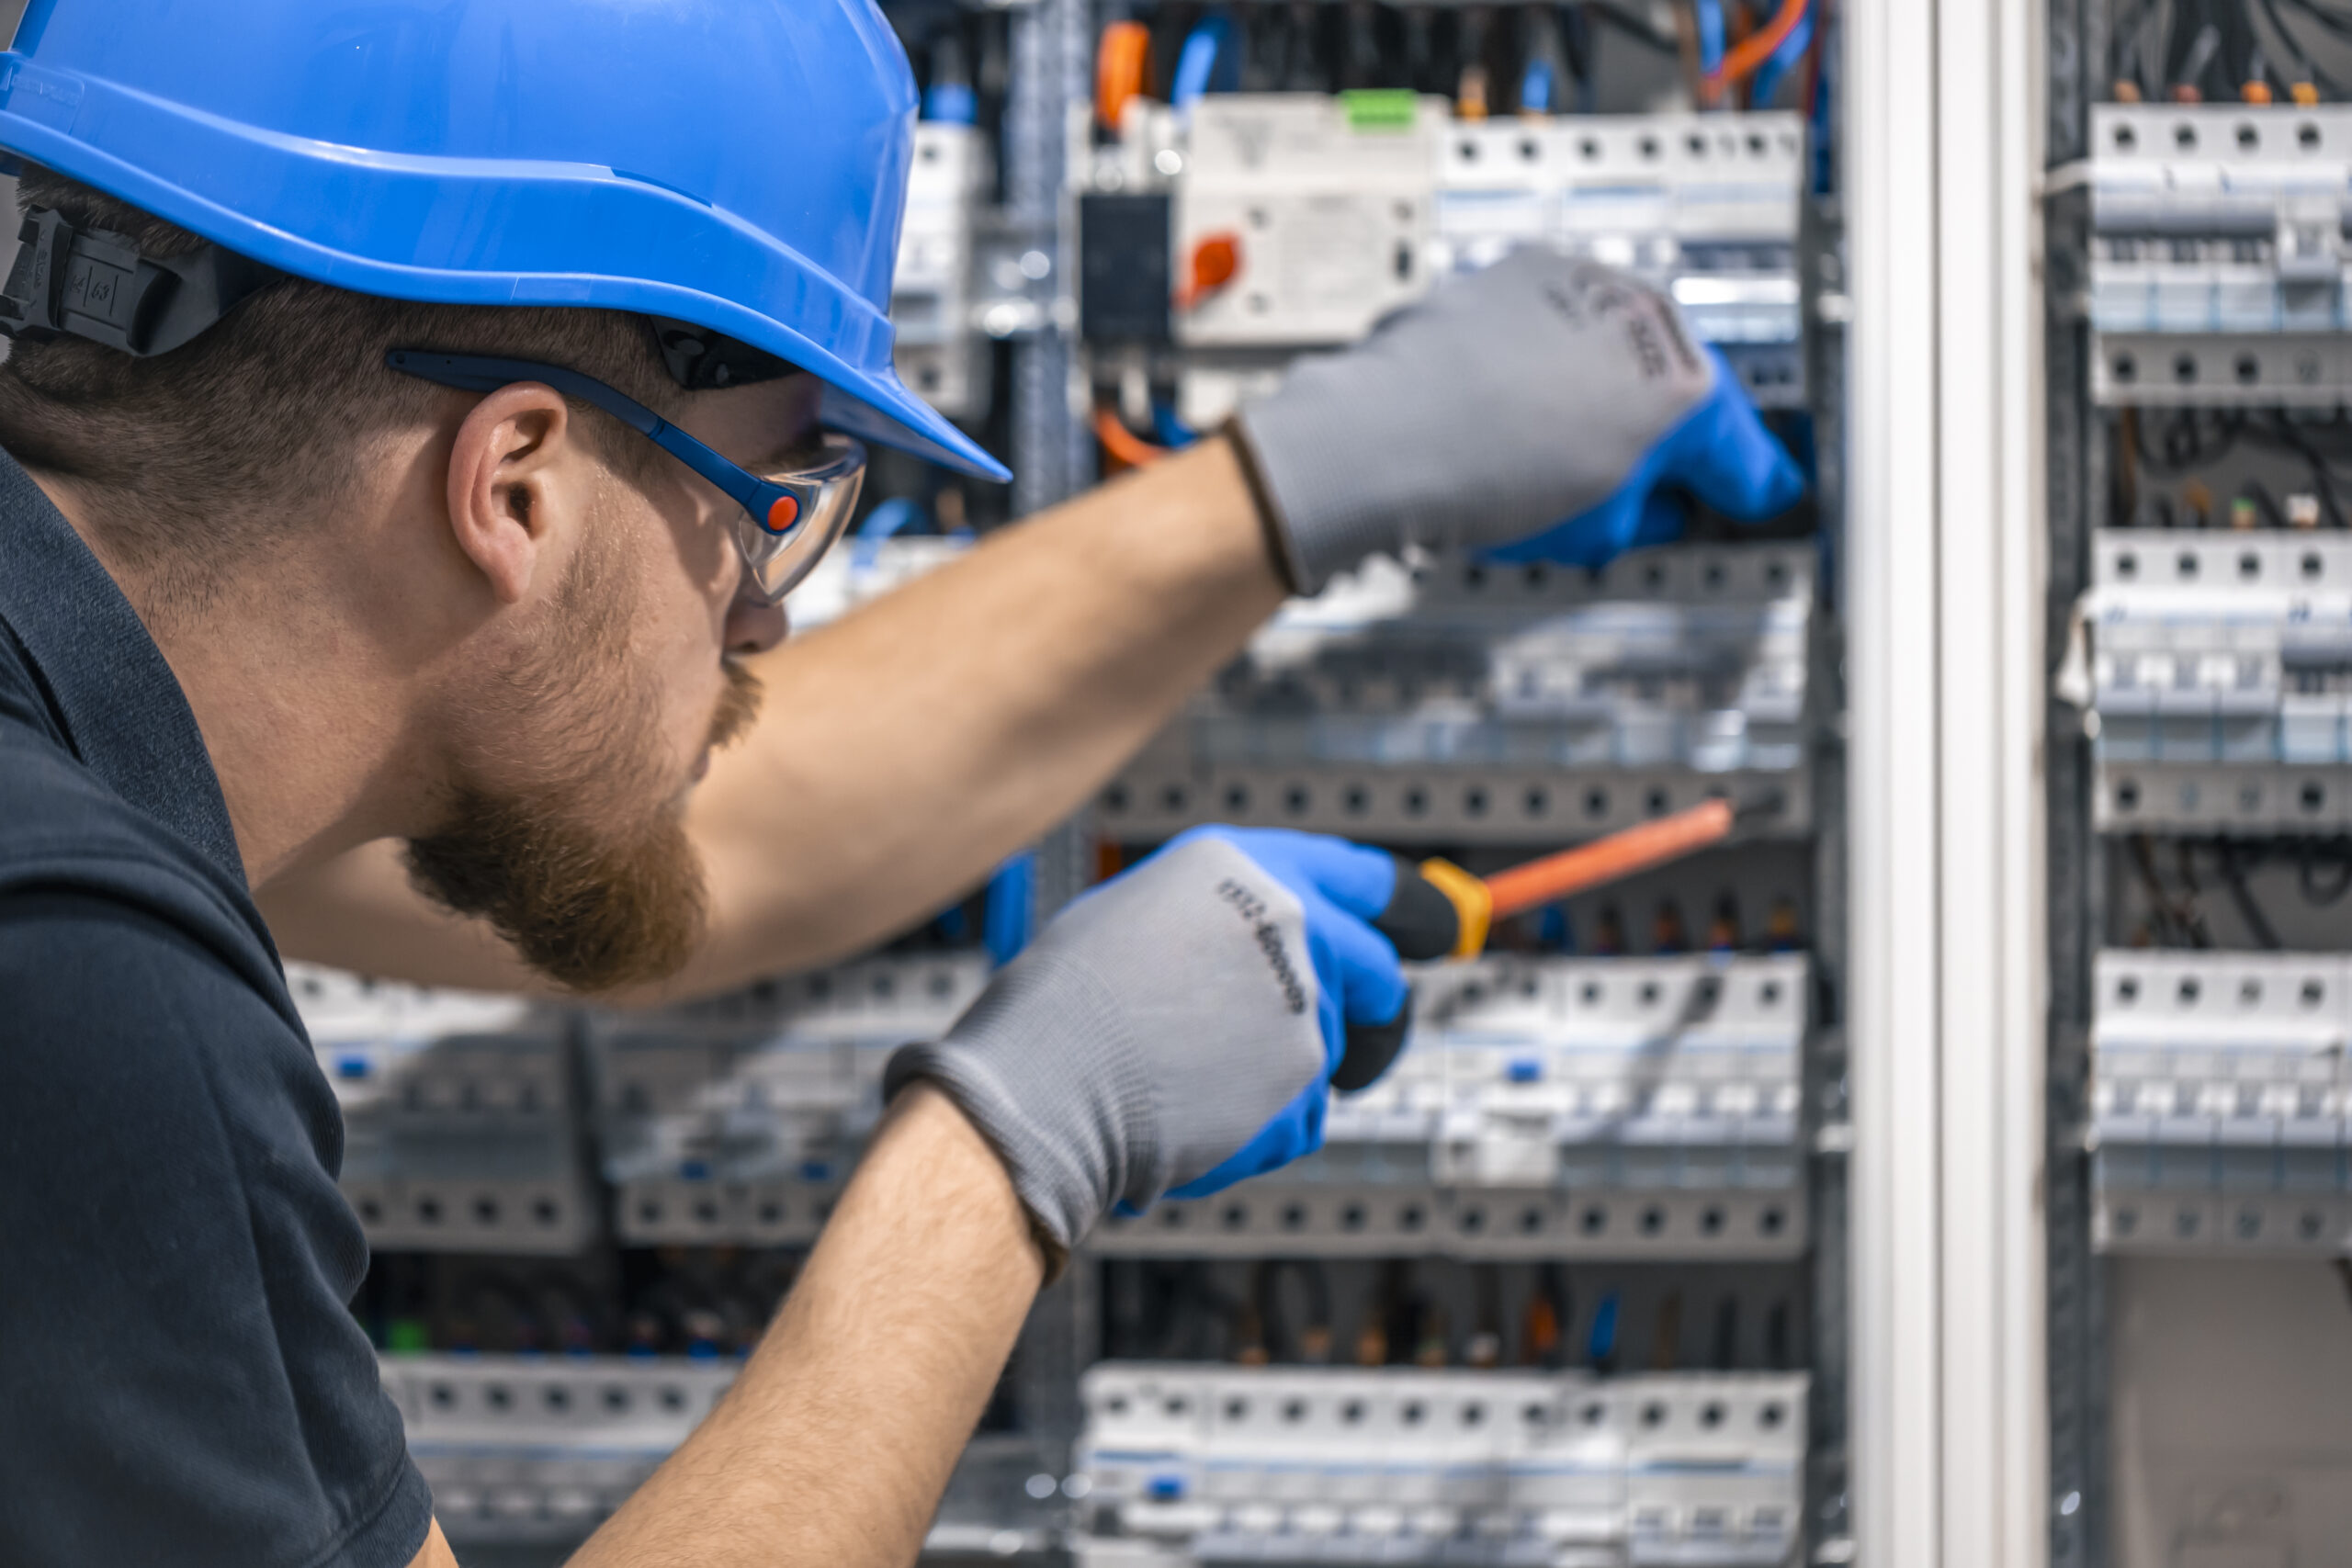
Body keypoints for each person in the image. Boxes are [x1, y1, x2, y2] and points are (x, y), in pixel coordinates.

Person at [0, 5, 1804, 1566]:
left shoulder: (96, 730)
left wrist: (1307, 475)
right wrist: (1003, 1150)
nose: (767, 613)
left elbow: (706, 816)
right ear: (517, 489)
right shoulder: (81, 993)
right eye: (774, 502)